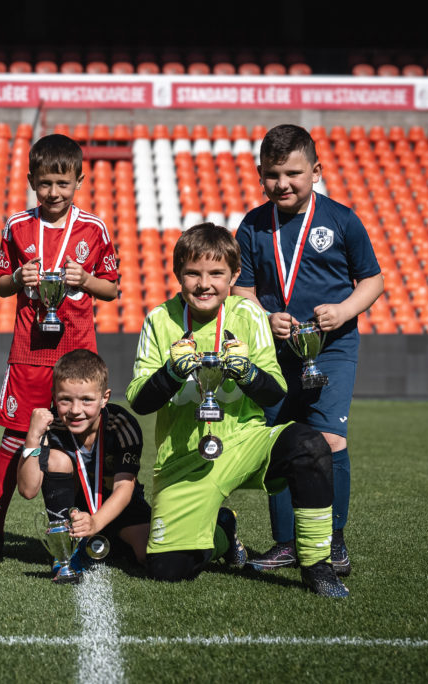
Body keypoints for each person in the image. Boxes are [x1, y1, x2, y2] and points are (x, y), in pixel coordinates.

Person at [126, 223, 348, 597]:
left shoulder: (249, 314)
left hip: (245, 443)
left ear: (234, 275)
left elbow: (274, 392)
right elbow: (139, 400)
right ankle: (223, 532)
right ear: (178, 274)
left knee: (309, 445)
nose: (204, 284)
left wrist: (246, 372)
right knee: (167, 570)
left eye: (216, 274)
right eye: (193, 273)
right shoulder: (159, 319)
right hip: (184, 456)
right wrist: (170, 373)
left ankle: (317, 565)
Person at [232, 124, 383, 577]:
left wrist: (343, 310)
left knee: (331, 439)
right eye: (273, 174)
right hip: (274, 353)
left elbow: (373, 280)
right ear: (260, 174)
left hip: (332, 347)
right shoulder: (253, 225)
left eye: (293, 173)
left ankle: (332, 543)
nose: (283, 183)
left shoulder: (341, 219)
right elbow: (241, 289)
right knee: (280, 441)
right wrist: (264, 316)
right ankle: (285, 544)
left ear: (315, 171)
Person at [0, 134, 120, 562]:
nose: (54, 192)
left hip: (77, 357)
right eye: (45, 183)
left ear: (79, 181)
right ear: (32, 179)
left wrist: (83, 280)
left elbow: (111, 290)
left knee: (87, 445)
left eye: (63, 183)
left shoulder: (94, 228)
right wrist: (19, 278)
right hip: (29, 355)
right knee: (14, 444)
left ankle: (90, 528)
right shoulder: (17, 225)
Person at [17, 349, 150, 582]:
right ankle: (65, 545)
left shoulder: (121, 426)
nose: (76, 410)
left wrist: (96, 522)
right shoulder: (50, 426)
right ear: (54, 396)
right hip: (74, 513)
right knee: (58, 459)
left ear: (104, 398)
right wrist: (32, 438)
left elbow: (124, 489)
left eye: (87, 400)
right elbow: (28, 490)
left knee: (148, 556)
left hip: (119, 506)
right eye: (65, 400)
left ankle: (222, 527)